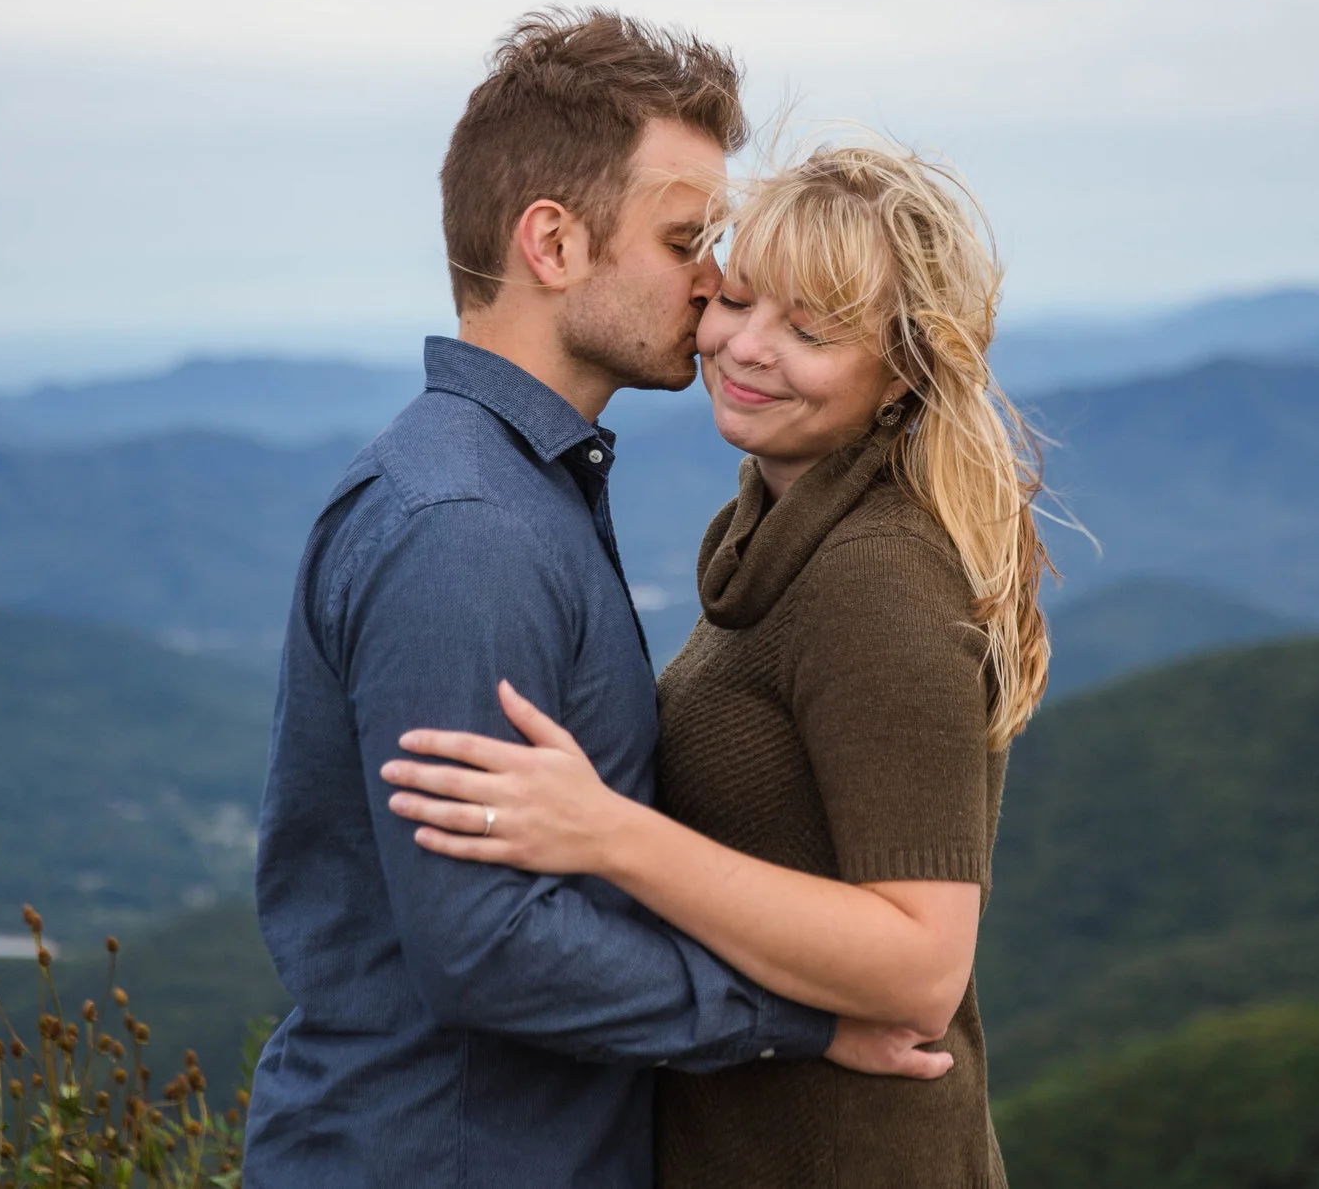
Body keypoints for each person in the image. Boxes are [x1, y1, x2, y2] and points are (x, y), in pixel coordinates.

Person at [244, 12, 950, 1189]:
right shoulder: (465, 530)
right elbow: (485, 942)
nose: (716, 278)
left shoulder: (515, 491)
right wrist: (797, 1018)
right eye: (685, 239)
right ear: (553, 243)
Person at [381, 140, 1051, 1186]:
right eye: (736, 298)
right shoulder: (776, 538)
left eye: (810, 329)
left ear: (901, 371)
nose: (745, 345)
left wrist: (610, 834)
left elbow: (923, 966)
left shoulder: (874, 579)